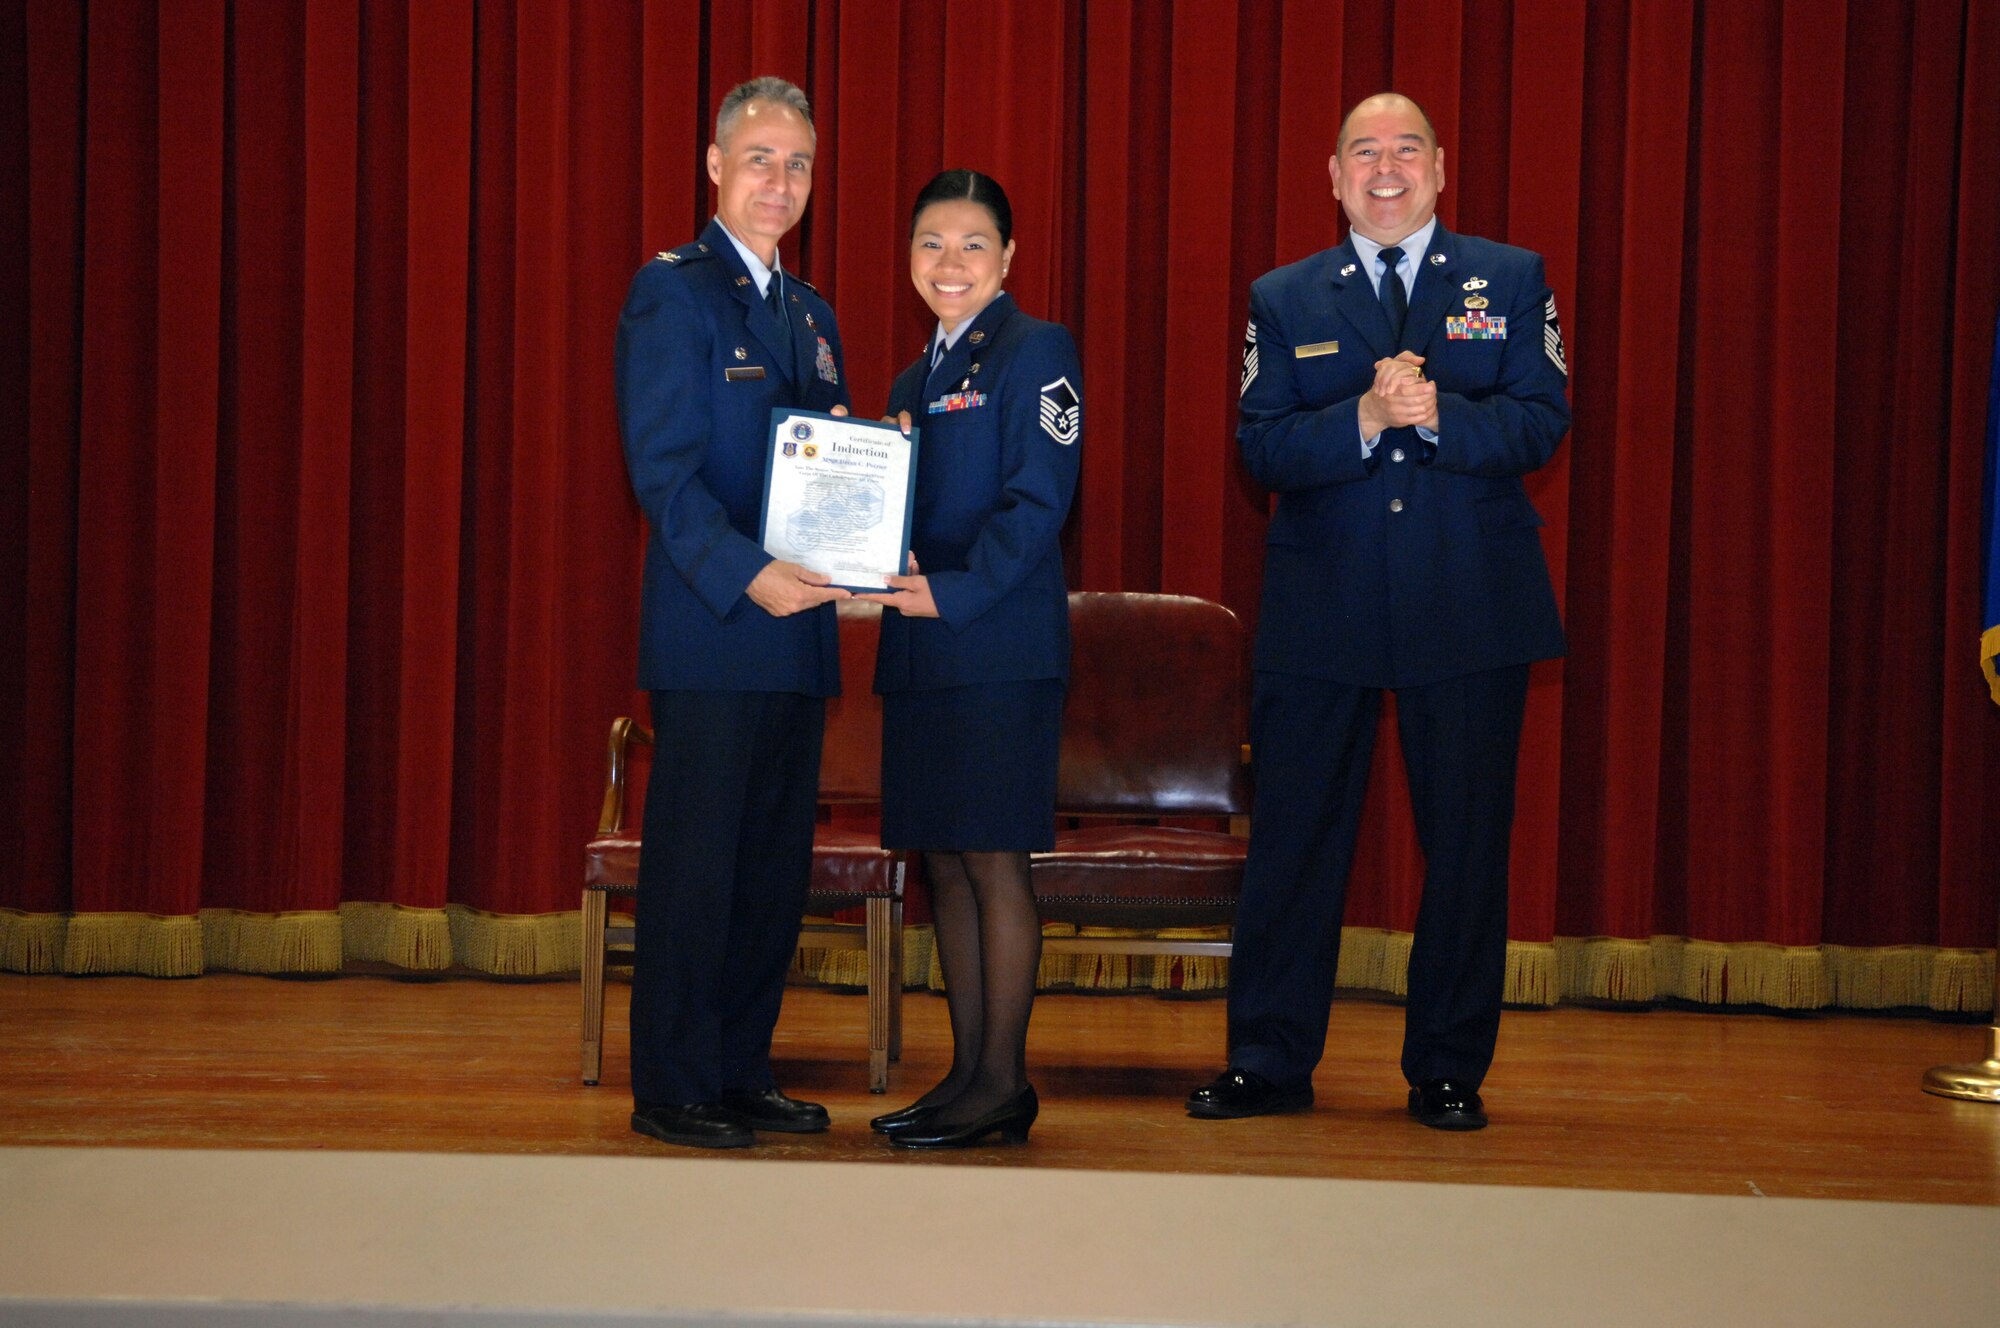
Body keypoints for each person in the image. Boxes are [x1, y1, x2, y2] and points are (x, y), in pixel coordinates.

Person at [1188, 93, 1570, 1131]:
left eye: (1407, 149)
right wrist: (1359, 414)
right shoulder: (1284, 296)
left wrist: (1438, 413)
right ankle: (1267, 1057)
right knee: (1295, 841)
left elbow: (1542, 419)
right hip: (1324, 606)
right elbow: (1260, 447)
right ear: (1332, 174)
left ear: (1440, 168)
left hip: (1469, 600)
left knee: (1465, 846)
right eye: (1365, 151)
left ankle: (1446, 1067)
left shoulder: (1509, 275)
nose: (1386, 168)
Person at [614, 76, 852, 1149]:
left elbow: (825, 471)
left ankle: (741, 1066)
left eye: (797, 163)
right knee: (695, 870)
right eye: (759, 158)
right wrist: (748, 572)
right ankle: (672, 1082)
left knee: (767, 873)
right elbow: (662, 472)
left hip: (797, 637)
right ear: (713, 166)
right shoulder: (674, 292)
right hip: (716, 625)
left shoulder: (813, 313)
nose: (780, 181)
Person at [855, 170, 1083, 1149]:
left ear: (1009, 258)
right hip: (919, 649)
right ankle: (963, 1074)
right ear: (908, 259)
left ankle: (1003, 1081)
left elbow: (1039, 501)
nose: (950, 263)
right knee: (942, 862)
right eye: (931, 244)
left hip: (995, 645)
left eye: (972, 243)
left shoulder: (1037, 352)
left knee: (992, 860)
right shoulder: (911, 380)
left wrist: (951, 588)